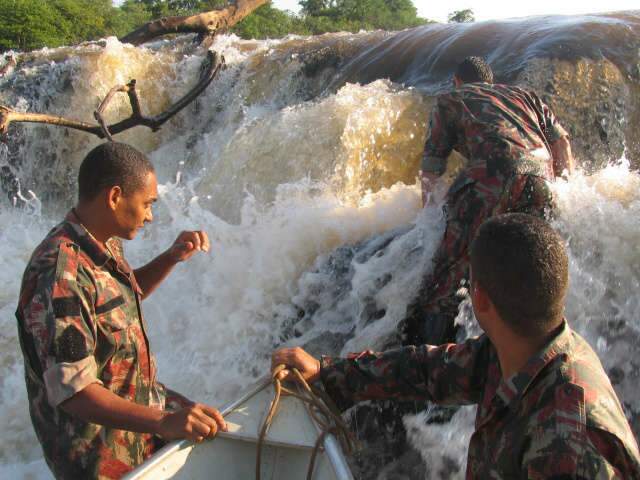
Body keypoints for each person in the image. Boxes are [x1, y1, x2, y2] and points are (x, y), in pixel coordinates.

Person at [272, 213, 640, 478]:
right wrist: (328, 372)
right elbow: (428, 370)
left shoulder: (570, 441)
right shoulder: (521, 348)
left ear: (480, 299)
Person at [15, 142, 227, 480]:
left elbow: (118, 297)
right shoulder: (58, 275)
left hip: (138, 427)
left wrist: (170, 258)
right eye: (146, 204)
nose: (150, 216)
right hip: (99, 458)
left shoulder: (102, 240)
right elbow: (75, 393)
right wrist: (163, 421)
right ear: (115, 197)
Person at [403, 56, 575, 346]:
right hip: (543, 181)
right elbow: (562, 143)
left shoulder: (451, 98)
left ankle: (431, 361)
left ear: (458, 81)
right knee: (529, 269)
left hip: (491, 180)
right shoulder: (525, 96)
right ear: (491, 82)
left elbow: (432, 168)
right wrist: (564, 186)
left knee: (446, 279)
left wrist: (432, 223)